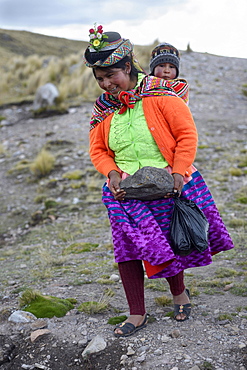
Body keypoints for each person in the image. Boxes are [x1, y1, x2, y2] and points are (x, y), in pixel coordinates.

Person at [84, 25, 234, 337]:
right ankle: (137, 313)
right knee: (126, 250)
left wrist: (177, 171)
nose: (106, 84)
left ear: (128, 67)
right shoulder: (104, 108)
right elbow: (98, 149)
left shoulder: (161, 93)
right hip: (124, 192)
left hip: (166, 185)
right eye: (99, 78)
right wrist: (111, 173)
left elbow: (186, 135)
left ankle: (179, 294)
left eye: (111, 75)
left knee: (168, 245)